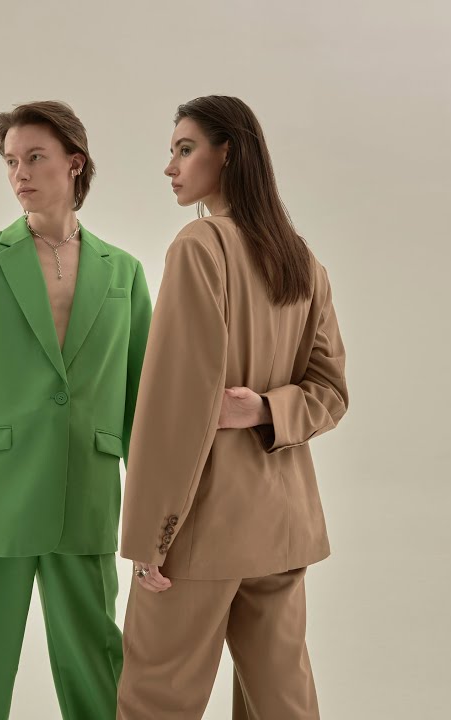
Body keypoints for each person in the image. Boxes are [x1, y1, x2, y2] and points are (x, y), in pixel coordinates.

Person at [0, 100, 152, 719]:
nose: (19, 172)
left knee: (98, 672)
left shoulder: (123, 272)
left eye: (35, 156)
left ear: (75, 163)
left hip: (86, 495)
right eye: (11, 160)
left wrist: (156, 519)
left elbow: (142, 406)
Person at [116, 95, 349, 720]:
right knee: (282, 704)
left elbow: (175, 405)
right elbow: (331, 392)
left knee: (156, 700)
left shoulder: (199, 245)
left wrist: (150, 534)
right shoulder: (302, 261)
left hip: (201, 527)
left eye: (185, 149)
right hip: (281, 528)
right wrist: (269, 409)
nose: (170, 166)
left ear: (228, 153)